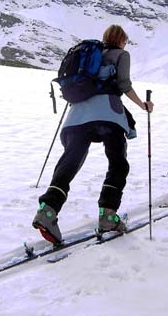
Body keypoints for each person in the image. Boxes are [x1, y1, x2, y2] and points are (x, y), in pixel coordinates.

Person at [33, 25, 154, 244]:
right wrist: (142, 105)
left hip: (77, 116)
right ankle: (108, 215)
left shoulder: (88, 57)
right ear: (121, 40)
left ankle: (47, 210)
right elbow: (124, 84)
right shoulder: (121, 54)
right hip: (108, 115)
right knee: (118, 163)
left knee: (69, 163)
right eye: (125, 41)